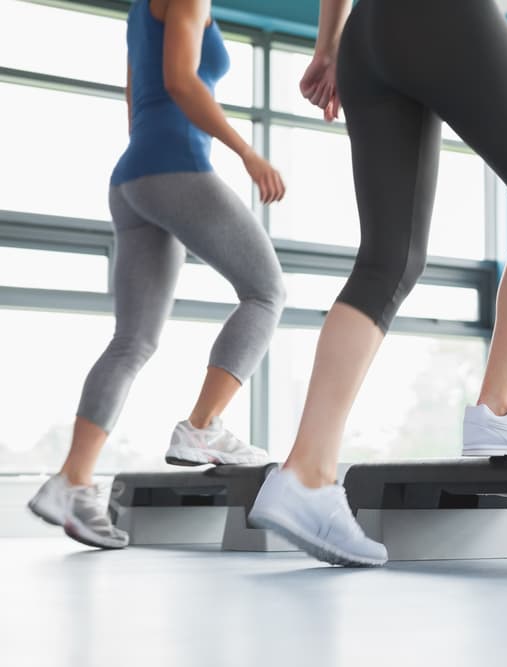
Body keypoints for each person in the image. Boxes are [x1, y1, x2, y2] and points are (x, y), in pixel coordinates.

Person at [248, 0, 507, 567]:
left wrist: (329, 45)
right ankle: (500, 409)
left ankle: (305, 475)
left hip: (367, 33)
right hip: (440, 15)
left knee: (388, 260)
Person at [27, 0, 287, 549]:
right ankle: (202, 427)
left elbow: (136, 96)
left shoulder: (140, 8)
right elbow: (182, 82)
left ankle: (71, 480)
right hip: (176, 164)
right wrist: (247, 152)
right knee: (266, 292)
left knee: (132, 341)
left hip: (133, 175)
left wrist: (155, 178)